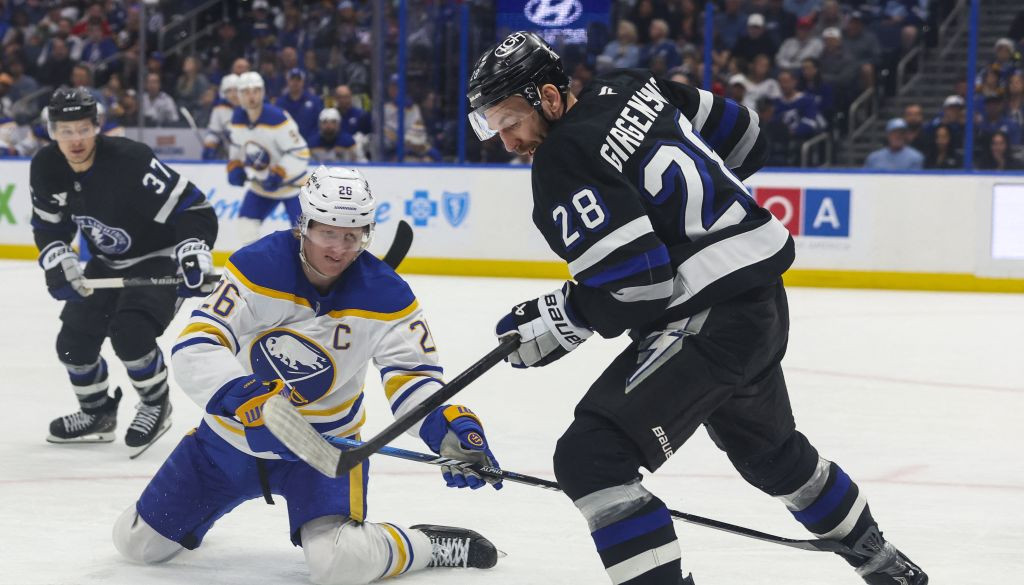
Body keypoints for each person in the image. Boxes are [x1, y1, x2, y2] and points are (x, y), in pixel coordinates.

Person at [466, 31, 928, 585]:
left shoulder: (563, 156)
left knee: (592, 458)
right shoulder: (633, 86)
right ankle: (883, 562)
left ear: (547, 96)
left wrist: (563, 315)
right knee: (774, 457)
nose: (507, 140)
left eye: (510, 121)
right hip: (759, 303)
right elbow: (748, 138)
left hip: (708, 320)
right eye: (493, 127)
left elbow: (637, 285)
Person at [112, 165, 501, 584]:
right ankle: (196, 511)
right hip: (228, 442)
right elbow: (197, 342)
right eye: (328, 233)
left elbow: (412, 377)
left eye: (352, 236)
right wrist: (241, 394)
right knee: (137, 544)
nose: (339, 249)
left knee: (338, 565)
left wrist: (445, 425)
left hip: (323, 452)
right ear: (304, 225)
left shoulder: (389, 295)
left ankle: (425, 544)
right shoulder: (257, 267)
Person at [30, 87, 218, 456]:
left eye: (83, 129)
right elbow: (49, 226)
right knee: (73, 343)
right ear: (52, 132)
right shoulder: (46, 166)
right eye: (66, 131)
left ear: (97, 126)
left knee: (131, 334)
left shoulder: (130, 160)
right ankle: (97, 413)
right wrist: (55, 256)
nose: (76, 140)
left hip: (158, 257)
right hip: (107, 261)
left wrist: (193, 248)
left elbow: (193, 209)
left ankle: (155, 404)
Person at [227, 71, 310, 244]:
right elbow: (237, 147)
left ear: (263, 92)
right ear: (239, 95)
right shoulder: (237, 118)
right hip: (261, 186)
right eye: (246, 92)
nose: (252, 96)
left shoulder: (277, 118)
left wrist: (280, 172)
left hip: (293, 187)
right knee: (246, 228)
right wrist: (235, 166)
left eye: (256, 91)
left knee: (304, 236)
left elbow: (301, 152)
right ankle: (254, 261)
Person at [202, 74, 240, 160]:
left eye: (236, 90)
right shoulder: (219, 110)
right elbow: (214, 133)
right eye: (229, 91)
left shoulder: (250, 109)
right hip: (230, 156)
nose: (233, 94)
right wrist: (209, 146)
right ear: (223, 94)